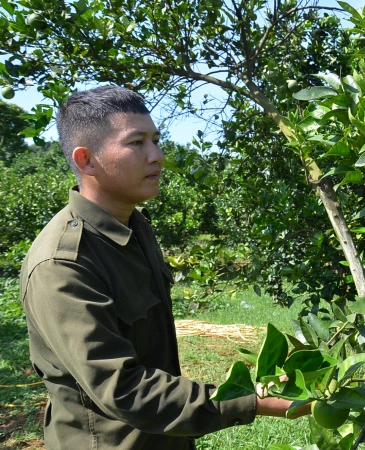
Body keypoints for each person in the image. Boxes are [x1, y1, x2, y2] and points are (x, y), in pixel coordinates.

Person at [20, 85, 307, 449]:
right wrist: (253, 401)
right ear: (86, 160)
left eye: (156, 140)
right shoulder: (63, 264)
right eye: (136, 143)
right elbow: (123, 390)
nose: (157, 156)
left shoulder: (135, 228)